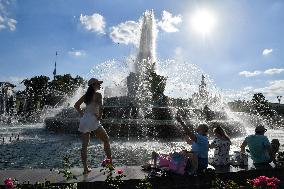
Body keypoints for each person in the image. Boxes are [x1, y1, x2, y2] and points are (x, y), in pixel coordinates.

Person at [74, 78, 112, 174]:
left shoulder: (86, 96)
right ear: (94, 85)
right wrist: (100, 116)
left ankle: (85, 169)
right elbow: (101, 107)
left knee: (84, 146)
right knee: (106, 140)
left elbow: (76, 105)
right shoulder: (98, 95)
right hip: (92, 120)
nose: (100, 85)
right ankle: (109, 164)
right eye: (98, 84)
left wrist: (82, 114)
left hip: (84, 120)